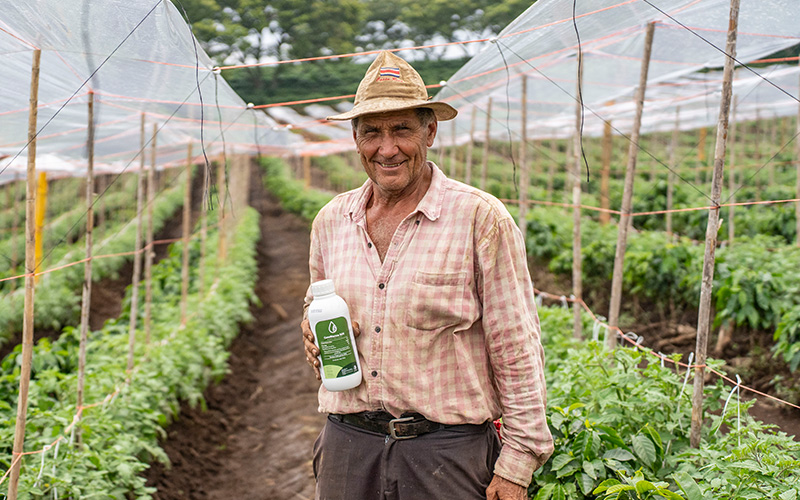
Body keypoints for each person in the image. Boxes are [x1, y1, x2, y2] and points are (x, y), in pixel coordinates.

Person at [301, 50, 553, 500]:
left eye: (402, 129)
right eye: (372, 132)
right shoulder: (331, 221)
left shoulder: (479, 218)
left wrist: (518, 463)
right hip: (348, 445)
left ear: (430, 131)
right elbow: (316, 300)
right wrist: (311, 327)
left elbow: (516, 344)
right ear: (355, 139)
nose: (387, 148)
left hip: (445, 453)